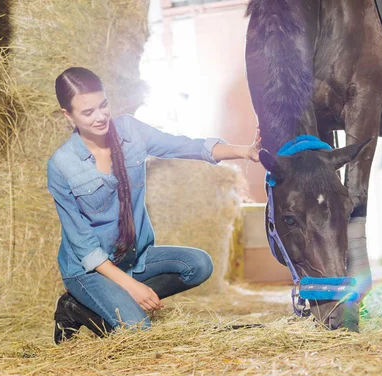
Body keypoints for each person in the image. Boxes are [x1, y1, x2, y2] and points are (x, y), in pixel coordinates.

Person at [48, 67, 260, 344]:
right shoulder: (61, 165)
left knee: (199, 265)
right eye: (88, 112)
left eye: (103, 105)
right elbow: (83, 245)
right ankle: (74, 307)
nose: (100, 117)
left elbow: (183, 145)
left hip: (131, 258)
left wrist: (245, 150)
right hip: (88, 270)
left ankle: (118, 302)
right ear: (68, 115)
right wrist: (131, 287)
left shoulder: (130, 130)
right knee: (137, 332)